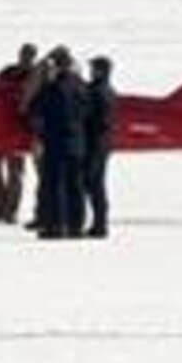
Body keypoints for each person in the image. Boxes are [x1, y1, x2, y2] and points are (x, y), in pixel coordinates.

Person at [28, 46, 88, 239]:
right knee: (75, 186)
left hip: (56, 143)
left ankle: (55, 226)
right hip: (78, 142)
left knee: (55, 186)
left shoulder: (53, 88)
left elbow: (34, 107)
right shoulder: (81, 85)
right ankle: (76, 226)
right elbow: (88, 111)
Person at [0, 43, 38, 224]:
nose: (25, 58)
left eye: (29, 55)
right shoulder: (7, 72)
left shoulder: (36, 76)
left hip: (18, 130)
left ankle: (11, 210)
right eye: (23, 54)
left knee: (15, 172)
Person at [83, 55, 116, 238]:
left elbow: (96, 119)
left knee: (93, 185)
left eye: (93, 68)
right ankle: (99, 224)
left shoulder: (97, 91)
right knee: (96, 185)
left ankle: (100, 226)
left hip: (95, 143)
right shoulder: (108, 90)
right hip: (103, 144)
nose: (91, 71)